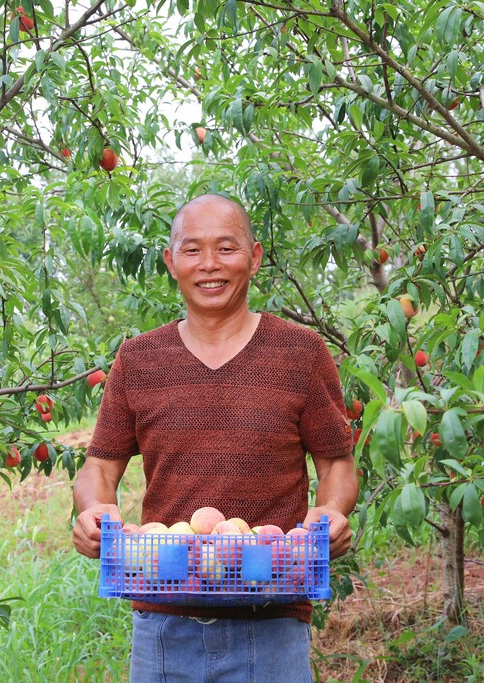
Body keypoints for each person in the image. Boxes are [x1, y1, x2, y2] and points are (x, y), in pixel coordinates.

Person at [72, 194, 359, 682]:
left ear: (255, 256)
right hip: (163, 622)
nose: (210, 265)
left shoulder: (302, 354)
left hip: (271, 619)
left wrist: (331, 514)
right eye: (192, 250)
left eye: (227, 248)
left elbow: (338, 465)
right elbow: (100, 466)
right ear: (170, 261)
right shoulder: (138, 360)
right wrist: (95, 513)